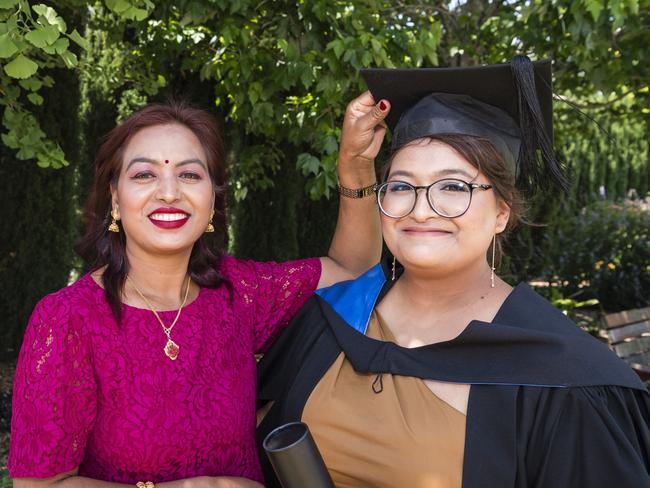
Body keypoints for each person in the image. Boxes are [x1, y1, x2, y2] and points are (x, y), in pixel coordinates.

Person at [256, 56, 650, 488]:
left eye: (453, 187)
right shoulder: (329, 320)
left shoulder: (570, 379)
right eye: (402, 186)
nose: (421, 210)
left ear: (501, 212)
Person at [8, 93, 390, 488]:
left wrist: (356, 166)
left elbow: (352, 268)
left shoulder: (239, 293)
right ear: (115, 198)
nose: (169, 192)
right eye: (144, 175)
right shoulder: (67, 319)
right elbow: (39, 485)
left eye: (190, 174)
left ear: (211, 201)